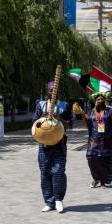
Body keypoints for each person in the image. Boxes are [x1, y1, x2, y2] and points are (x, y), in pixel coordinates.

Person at [34, 81, 73, 213]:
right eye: (51, 90)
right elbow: (35, 123)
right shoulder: (41, 104)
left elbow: (70, 124)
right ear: (48, 91)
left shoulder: (64, 106)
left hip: (59, 144)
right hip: (44, 145)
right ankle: (49, 201)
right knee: (45, 172)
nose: (53, 92)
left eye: (55, 90)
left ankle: (58, 200)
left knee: (58, 171)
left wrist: (60, 119)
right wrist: (43, 119)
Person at [85, 92, 112, 188]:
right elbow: (88, 124)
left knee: (105, 160)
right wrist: (82, 114)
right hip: (94, 139)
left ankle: (103, 181)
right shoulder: (91, 111)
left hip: (107, 139)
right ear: (95, 101)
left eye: (102, 100)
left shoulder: (110, 111)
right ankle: (96, 178)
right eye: (98, 100)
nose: (100, 101)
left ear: (105, 101)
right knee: (91, 158)